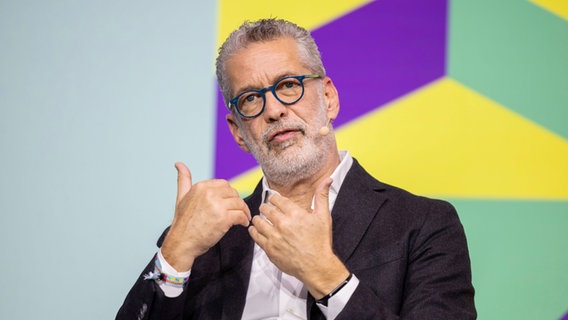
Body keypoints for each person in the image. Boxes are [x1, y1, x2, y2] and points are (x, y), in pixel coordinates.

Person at [116, 18, 476, 319]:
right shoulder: (205, 239)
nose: (273, 110)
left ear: (329, 99)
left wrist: (327, 276)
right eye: (252, 98)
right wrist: (174, 254)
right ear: (238, 132)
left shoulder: (423, 224)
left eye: (289, 85)